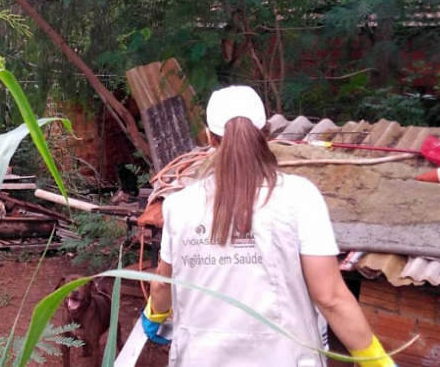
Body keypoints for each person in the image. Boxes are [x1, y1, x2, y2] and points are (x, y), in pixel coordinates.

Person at [142, 86, 397, 367]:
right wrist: (377, 361)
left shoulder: (179, 205)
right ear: (266, 133)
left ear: (209, 138)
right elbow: (331, 298)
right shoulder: (300, 196)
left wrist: (154, 314)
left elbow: (163, 286)